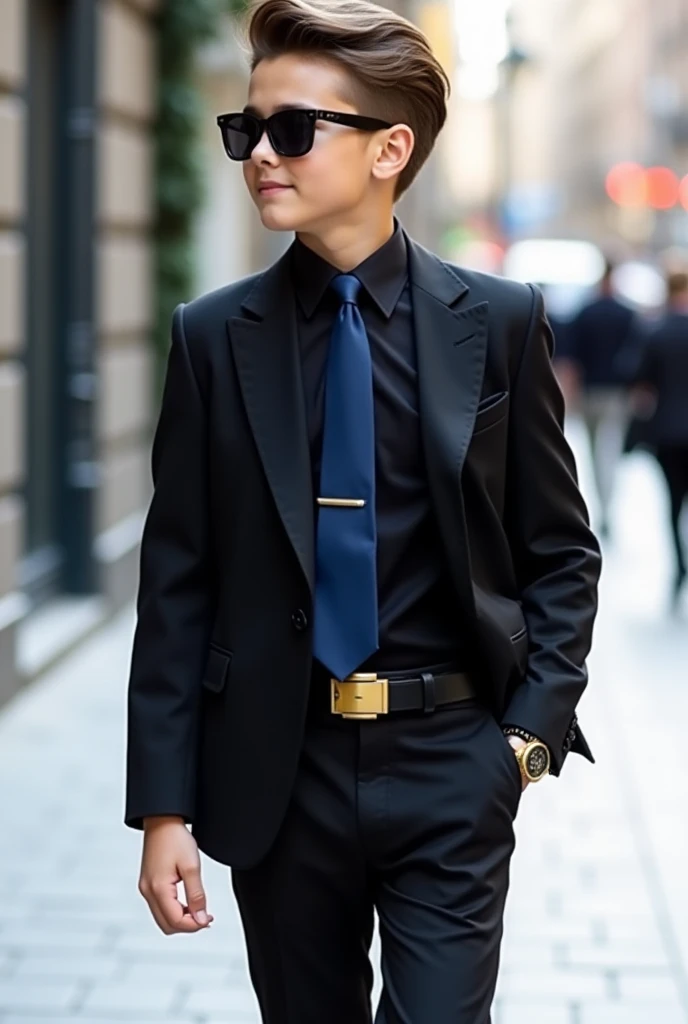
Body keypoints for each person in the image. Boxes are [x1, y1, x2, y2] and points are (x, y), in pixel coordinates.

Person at [124, 1, 602, 1021]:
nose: (259, 153)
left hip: (451, 762)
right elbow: (178, 585)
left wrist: (525, 739)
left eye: (292, 129)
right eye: (245, 129)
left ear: (390, 149)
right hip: (276, 770)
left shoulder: (499, 323)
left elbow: (559, 548)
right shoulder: (212, 339)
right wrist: (163, 807)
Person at [566, 261, 638, 537]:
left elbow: (571, 359)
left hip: (590, 392)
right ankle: (607, 505)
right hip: (617, 393)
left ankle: (602, 503)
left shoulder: (585, 312)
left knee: (596, 450)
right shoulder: (627, 313)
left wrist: (569, 393)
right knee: (610, 448)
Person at [631, 269, 688, 607]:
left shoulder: (658, 331)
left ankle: (680, 566)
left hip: (667, 432)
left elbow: (638, 380)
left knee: (673, 503)